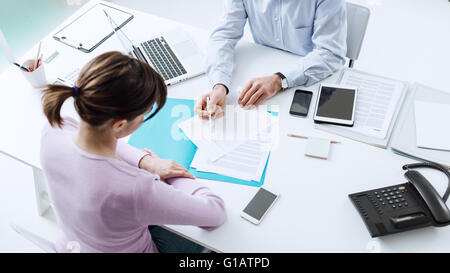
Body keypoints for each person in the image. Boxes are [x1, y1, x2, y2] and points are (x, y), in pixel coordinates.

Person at [40, 51, 226, 253]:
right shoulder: (136, 189)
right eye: (144, 115)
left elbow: (95, 137)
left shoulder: (54, 130)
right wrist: (175, 174)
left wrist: (146, 162)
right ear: (119, 125)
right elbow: (215, 213)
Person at [195, 0, 347, 119]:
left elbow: (331, 53)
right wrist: (219, 85)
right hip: (262, 70)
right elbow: (223, 36)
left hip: (310, 80)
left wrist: (279, 80)